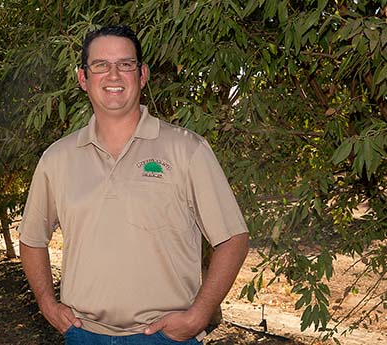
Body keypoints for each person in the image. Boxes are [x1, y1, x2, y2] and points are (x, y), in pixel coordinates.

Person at [18, 24, 249, 344]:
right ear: (83, 78)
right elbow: (31, 240)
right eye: (100, 65)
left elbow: (233, 238)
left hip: (165, 337)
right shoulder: (57, 159)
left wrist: (199, 314)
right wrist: (46, 303)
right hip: (84, 336)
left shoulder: (186, 149)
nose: (113, 75)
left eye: (125, 64)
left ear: (142, 75)